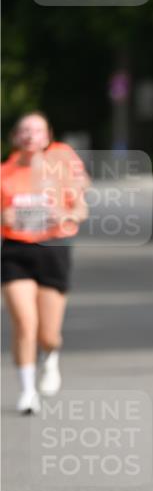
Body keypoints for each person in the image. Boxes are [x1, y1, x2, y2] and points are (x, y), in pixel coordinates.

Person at [1, 112, 89, 413]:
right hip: (15, 252)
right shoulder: (4, 173)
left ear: (47, 137)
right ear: (15, 137)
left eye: (36, 131)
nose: (29, 136)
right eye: (24, 130)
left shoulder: (60, 169)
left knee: (48, 333)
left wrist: (65, 215)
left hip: (53, 249)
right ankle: (27, 391)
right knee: (25, 324)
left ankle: (50, 357)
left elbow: (80, 209)